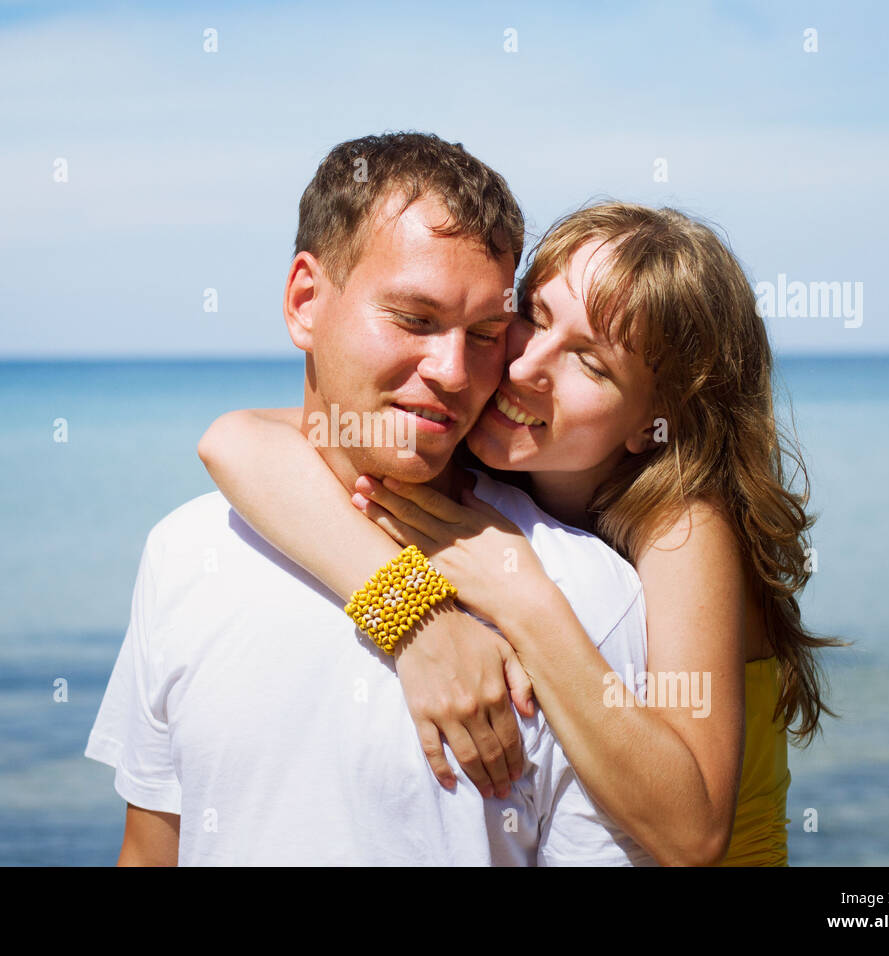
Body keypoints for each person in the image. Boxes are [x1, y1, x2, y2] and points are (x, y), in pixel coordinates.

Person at [199, 201, 844, 866]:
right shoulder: (497, 455)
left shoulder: (683, 523)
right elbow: (236, 440)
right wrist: (416, 618)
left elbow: (694, 833)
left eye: (590, 363)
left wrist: (524, 598)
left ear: (656, 420)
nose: (527, 367)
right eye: (532, 318)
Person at [85, 132, 657, 865]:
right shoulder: (186, 551)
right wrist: (413, 613)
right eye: (414, 320)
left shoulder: (584, 593)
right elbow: (151, 849)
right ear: (304, 302)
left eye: (486, 333)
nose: (454, 372)